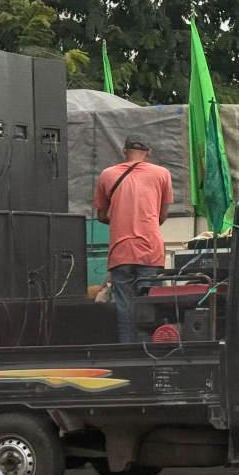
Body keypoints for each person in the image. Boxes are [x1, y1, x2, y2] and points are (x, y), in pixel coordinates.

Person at [94, 135, 174, 343]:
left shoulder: (107, 175)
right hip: (150, 250)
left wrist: (121, 217)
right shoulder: (162, 174)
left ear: (124, 151)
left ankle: (127, 353)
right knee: (151, 307)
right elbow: (161, 216)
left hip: (120, 251)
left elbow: (101, 215)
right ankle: (150, 355)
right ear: (148, 152)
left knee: (124, 307)